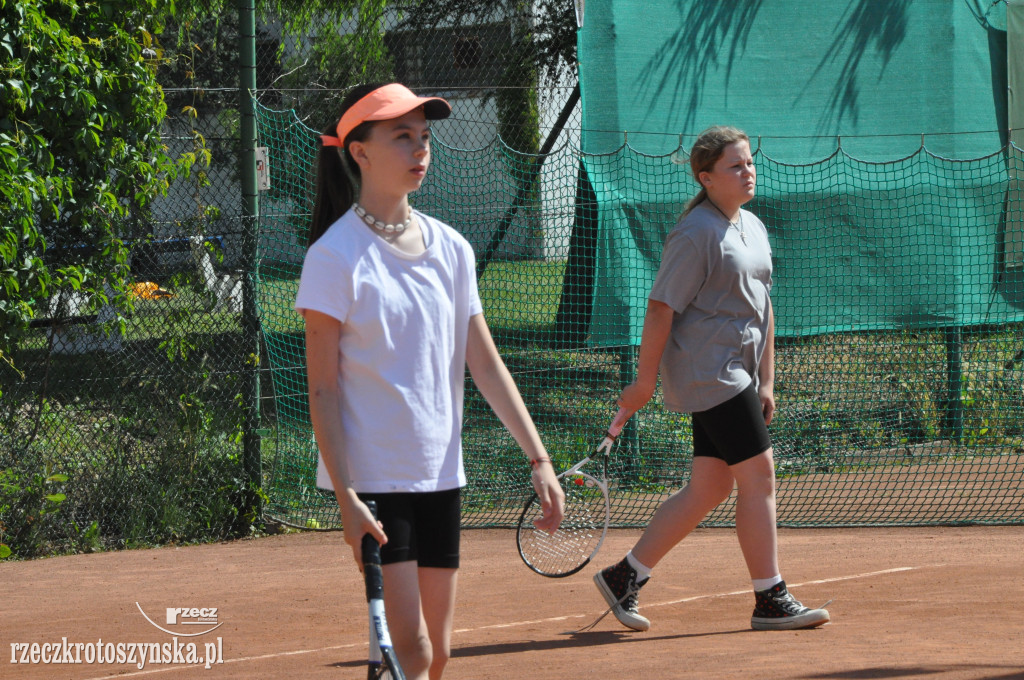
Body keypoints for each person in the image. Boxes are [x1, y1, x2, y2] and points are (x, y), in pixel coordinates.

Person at [296, 82, 565, 679]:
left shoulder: (453, 250)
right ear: (359, 151)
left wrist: (538, 459)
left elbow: (487, 364)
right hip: (373, 479)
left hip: (441, 473)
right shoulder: (334, 257)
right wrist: (344, 496)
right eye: (402, 137)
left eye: (424, 137)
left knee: (438, 653)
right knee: (410, 649)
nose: (420, 149)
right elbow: (323, 390)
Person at [592, 126, 829, 632]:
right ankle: (770, 597)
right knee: (759, 476)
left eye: (749, 163)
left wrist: (767, 381)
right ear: (707, 177)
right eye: (735, 166)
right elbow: (660, 309)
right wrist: (643, 382)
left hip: (738, 372)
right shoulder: (695, 232)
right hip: (710, 372)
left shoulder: (753, 226)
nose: (748, 172)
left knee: (709, 486)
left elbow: (764, 307)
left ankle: (623, 576)